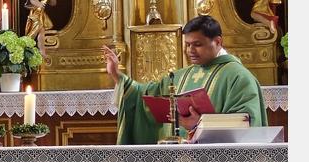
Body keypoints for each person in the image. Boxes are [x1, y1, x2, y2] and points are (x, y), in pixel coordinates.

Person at [103, 15, 268, 145]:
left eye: (197, 44)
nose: (190, 51)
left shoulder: (238, 77)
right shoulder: (182, 75)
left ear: (217, 41)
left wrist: (200, 126)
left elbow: (246, 125)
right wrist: (116, 75)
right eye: (187, 44)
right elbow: (146, 95)